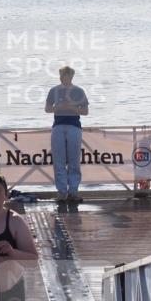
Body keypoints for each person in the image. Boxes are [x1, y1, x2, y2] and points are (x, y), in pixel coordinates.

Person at [45, 66, 89, 202]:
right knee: (58, 160)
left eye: (66, 75)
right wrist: (58, 108)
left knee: (74, 160)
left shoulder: (79, 91)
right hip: (58, 125)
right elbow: (47, 109)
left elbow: (85, 111)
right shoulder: (54, 90)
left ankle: (73, 191)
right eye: (62, 75)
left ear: (71, 76)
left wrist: (72, 108)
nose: (63, 78)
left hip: (74, 126)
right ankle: (62, 192)